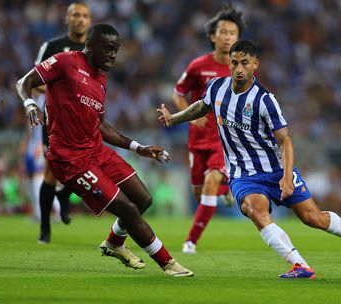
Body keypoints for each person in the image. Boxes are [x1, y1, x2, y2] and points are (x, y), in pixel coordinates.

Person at [158, 40, 341, 279]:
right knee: (254, 209)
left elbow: (285, 141)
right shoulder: (216, 87)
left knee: (313, 218)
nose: (238, 69)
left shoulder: (265, 99)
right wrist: (174, 119)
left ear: (255, 64)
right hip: (242, 173)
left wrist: (287, 178)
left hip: (277, 169)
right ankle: (301, 266)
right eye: (234, 62)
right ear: (229, 62)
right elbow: (201, 107)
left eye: (245, 63)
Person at [16, 23, 193, 277]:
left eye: (116, 50)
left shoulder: (100, 80)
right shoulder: (66, 62)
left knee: (143, 199)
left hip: (96, 151)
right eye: (108, 48)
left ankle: (113, 243)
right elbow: (25, 81)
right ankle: (168, 263)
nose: (113, 54)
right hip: (70, 159)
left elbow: (100, 125)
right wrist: (30, 102)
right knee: (128, 209)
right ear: (90, 46)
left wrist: (138, 147)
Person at [172, 5, 245, 254]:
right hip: (197, 138)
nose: (227, 36)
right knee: (199, 192)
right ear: (213, 36)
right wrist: (189, 117)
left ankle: (190, 241)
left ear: (237, 38)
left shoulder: (241, 69)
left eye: (232, 32)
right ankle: (226, 190)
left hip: (224, 141)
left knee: (211, 180)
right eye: (222, 32)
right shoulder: (198, 66)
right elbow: (178, 92)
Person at [34, 2, 92, 244]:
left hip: (85, 122)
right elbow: (34, 80)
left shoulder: (95, 49)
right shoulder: (53, 47)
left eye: (84, 16)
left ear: (90, 21)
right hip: (56, 120)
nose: (80, 19)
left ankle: (65, 197)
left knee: (83, 169)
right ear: (67, 19)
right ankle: (45, 228)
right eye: (75, 15)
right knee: (50, 172)